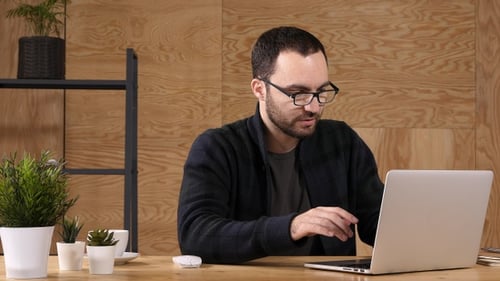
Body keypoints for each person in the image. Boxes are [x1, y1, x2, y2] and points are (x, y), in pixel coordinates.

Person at [177, 26, 384, 264]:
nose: (313, 107)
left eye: (321, 91)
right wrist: (291, 227)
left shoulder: (342, 142)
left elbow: (375, 223)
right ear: (260, 89)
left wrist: (418, 227)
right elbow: (195, 235)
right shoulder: (217, 147)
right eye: (298, 93)